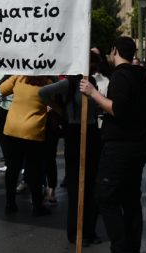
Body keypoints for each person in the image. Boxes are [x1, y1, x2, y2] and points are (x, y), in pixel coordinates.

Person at [79, 37, 146, 253]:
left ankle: (121, 249)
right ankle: (132, 247)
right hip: (137, 145)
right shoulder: (139, 75)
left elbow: (119, 109)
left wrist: (93, 93)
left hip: (120, 148)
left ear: (114, 50)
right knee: (130, 200)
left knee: (106, 198)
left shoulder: (121, 75)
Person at [39, 50, 102, 246]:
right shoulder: (71, 82)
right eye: (92, 65)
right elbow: (43, 93)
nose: (95, 68)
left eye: (96, 65)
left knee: (92, 184)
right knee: (76, 184)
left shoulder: (92, 81)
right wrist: (61, 111)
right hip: (75, 132)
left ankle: (90, 231)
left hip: (92, 131)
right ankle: (75, 232)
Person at [0, 73, 52, 216]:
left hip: (13, 128)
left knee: (12, 167)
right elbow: (51, 101)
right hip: (33, 130)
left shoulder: (18, 77)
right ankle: (37, 205)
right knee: (35, 168)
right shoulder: (47, 82)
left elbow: (1, 90)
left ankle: (10, 204)